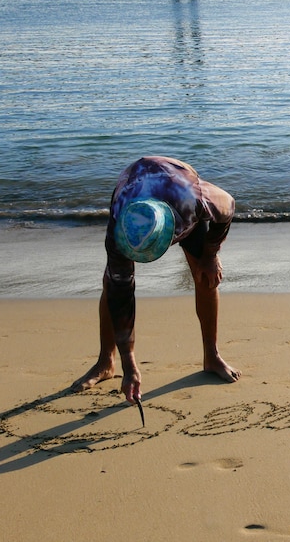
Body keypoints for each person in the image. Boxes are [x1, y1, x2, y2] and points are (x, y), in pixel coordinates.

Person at [72, 156, 240, 404]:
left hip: (176, 181)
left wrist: (211, 254)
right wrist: (130, 366)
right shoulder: (121, 228)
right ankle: (106, 362)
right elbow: (122, 298)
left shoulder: (193, 201)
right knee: (112, 284)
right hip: (131, 184)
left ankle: (212, 356)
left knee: (206, 276)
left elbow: (228, 206)